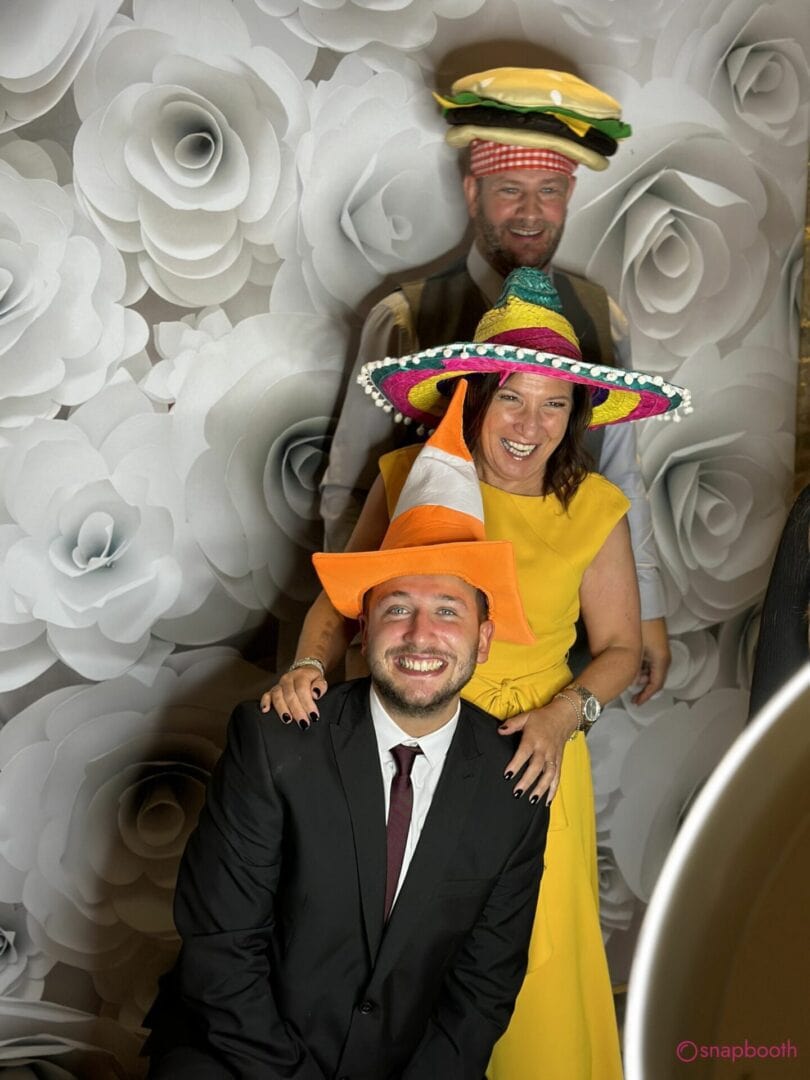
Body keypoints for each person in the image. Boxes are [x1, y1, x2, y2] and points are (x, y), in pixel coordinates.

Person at [263, 268, 690, 1080]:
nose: (532, 424)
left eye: (555, 403)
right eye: (513, 399)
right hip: (404, 748)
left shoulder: (594, 507)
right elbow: (336, 607)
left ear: (576, 415)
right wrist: (310, 669)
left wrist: (567, 716)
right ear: (475, 397)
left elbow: (621, 650)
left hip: (532, 759)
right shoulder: (408, 482)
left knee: (526, 976)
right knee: (396, 964)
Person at [142, 399, 551, 1079]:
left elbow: (482, 991)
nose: (421, 635)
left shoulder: (516, 782)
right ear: (363, 629)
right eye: (398, 608)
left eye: (448, 611)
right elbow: (222, 948)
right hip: (241, 1054)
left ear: (484, 638)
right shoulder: (277, 742)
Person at [321, 65, 671, 702]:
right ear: (472, 189)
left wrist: (646, 608)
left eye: (550, 190)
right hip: (418, 634)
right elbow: (348, 490)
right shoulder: (403, 315)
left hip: (544, 638)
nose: (531, 214)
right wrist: (347, 629)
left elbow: (622, 474)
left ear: (569, 195)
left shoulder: (601, 316)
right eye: (510, 189)